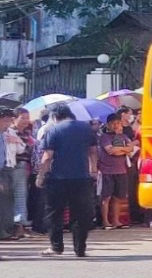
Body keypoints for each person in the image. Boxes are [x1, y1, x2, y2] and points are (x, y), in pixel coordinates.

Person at [36, 103, 98, 257]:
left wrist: (40, 176)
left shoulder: (54, 130)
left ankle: (56, 247)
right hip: (82, 178)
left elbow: (47, 157)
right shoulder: (86, 128)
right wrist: (93, 170)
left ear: (55, 117)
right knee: (81, 214)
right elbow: (93, 152)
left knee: (54, 213)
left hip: (58, 179)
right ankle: (80, 249)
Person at [97, 113, 133, 230]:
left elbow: (131, 148)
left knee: (118, 197)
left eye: (117, 123)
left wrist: (121, 150)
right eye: (113, 123)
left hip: (121, 170)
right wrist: (124, 150)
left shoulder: (123, 136)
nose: (115, 125)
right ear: (108, 124)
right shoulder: (104, 137)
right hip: (106, 170)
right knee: (106, 197)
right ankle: (105, 221)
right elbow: (110, 151)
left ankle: (116, 220)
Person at [12, 108, 35, 236]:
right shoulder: (10, 132)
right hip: (12, 167)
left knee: (21, 196)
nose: (25, 121)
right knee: (14, 196)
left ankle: (21, 224)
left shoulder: (27, 133)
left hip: (23, 167)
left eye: (27, 118)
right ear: (14, 119)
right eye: (22, 118)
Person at [0, 109, 21, 242]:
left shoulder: (5, 134)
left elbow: (23, 147)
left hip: (6, 169)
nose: (8, 124)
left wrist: (16, 141)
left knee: (6, 201)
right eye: (5, 121)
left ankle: (5, 230)